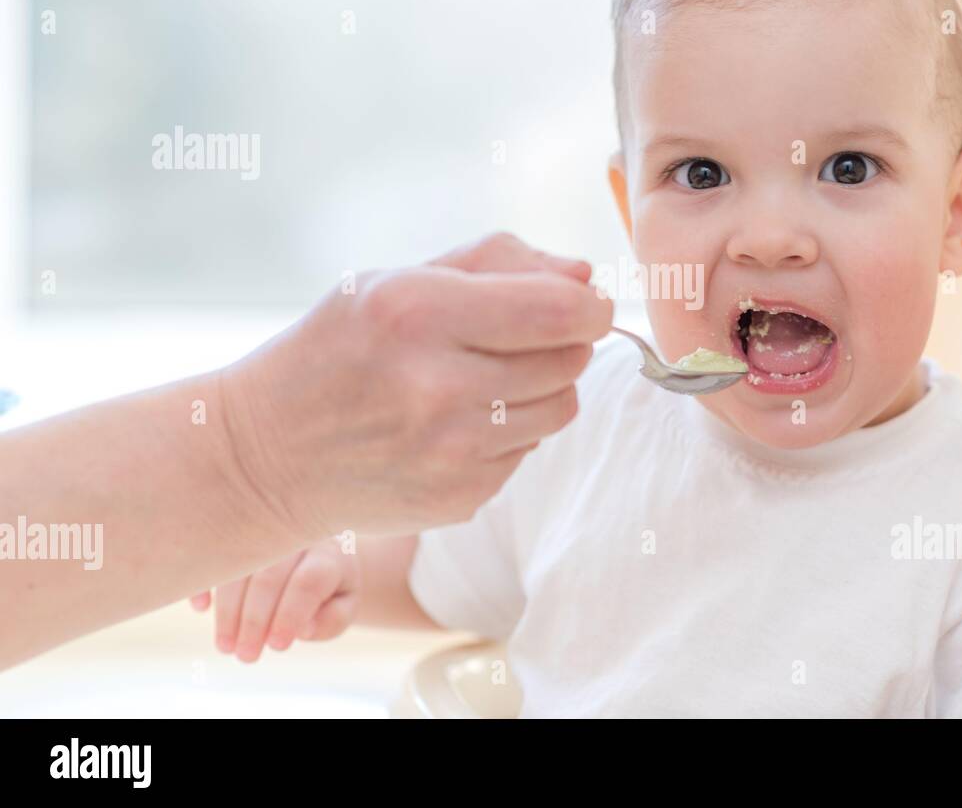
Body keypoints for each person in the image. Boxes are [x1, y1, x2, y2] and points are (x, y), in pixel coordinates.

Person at [194, 0, 962, 717]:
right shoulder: (577, 423)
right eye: (702, 174)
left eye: (846, 168)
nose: (766, 238)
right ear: (632, 213)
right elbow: (443, 571)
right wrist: (324, 564)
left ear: (957, 214)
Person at [0, 232, 613, 670]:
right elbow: (449, 569)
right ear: (626, 196)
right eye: (696, 174)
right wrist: (320, 549)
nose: (716, 243)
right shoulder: (599, 425)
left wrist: (255, 470)